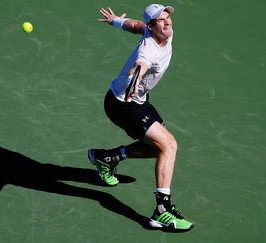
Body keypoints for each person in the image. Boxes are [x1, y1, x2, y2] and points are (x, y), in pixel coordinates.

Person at [87, 4, 194, 231]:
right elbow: (141, 64)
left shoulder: (158, 31)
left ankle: (107, 158)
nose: (167, 23)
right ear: (152, 27)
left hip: (140, 101)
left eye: (167, 18)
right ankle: (162, 211)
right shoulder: (149, 49)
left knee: (158, 149)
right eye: (161, 21)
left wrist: (115, 21)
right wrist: (136, 80)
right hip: (122, 105)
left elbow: (135, 25)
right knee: (170, 145)